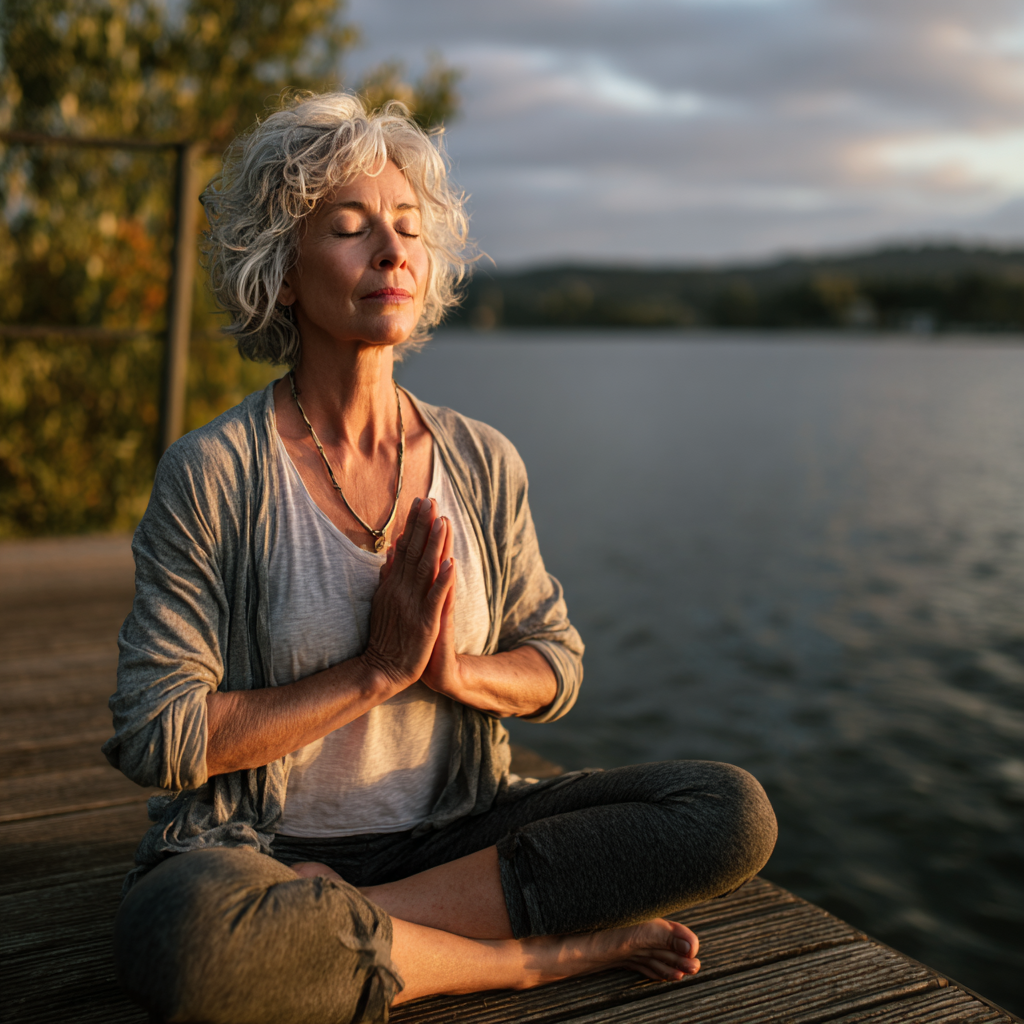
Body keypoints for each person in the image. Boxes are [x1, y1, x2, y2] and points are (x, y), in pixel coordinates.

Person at [103, 93, 777, 1024]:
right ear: (282, 273)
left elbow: (556, 663)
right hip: (256, 848)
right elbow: (158, 735)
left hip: (455, 837)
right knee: (194, 942)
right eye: (349, 227)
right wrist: (375, 672)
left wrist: (452, 669)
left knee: (726, 811)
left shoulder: (482, 460)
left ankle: (337, 932)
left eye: (407, 228)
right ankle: (527, 961)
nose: (390, 249)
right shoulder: (214, 473)